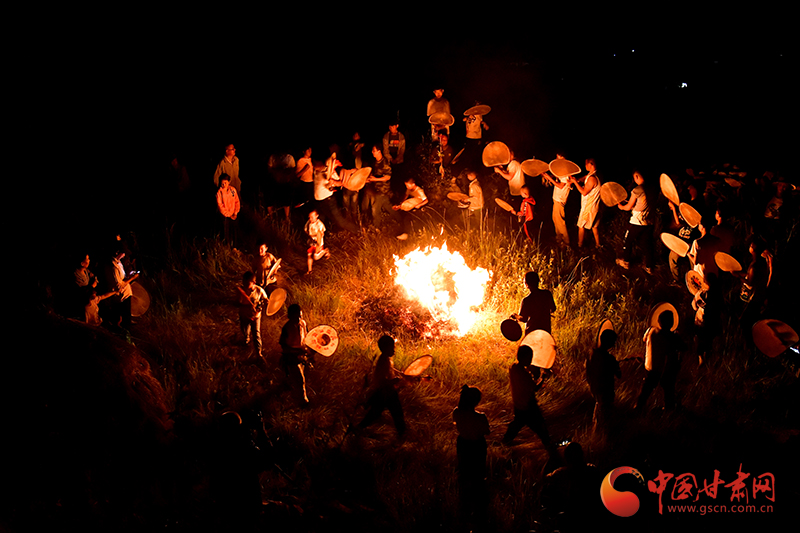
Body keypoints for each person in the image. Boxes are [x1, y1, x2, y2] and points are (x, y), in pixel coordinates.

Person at [501, 346, 558, 458]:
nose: (531, 360)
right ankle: (550, 447)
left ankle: (504, 443)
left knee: (517, 424)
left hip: (518, 404)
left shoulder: (513, 368)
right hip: (528, 406)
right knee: (540, 426)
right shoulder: (524, 375)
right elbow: (535, 388)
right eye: (530, 357)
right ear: (524, 358)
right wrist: (542, 377)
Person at [355, 335, 406, 437]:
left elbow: (391, 369)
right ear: (385, 348)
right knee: (396, 413)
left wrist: (401, 374)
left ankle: (358, 428)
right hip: (387, 393)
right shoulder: (383, 361)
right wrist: (393, 381)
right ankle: (402, 434)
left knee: (375, 413)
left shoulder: (385, 359)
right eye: (392, 348)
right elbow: (382, 380)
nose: (394, 350)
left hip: (385, 392)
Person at [635, 310, 686, 412]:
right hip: (664, 369)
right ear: (672, 322)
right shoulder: (672, 337)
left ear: (658, 321)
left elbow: (644, 339)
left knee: (646, 388)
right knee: (668, 388)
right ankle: (669, 409)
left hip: (650, 366)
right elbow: (683, 347)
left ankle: (638, 407)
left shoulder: (650, 331)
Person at [453, 385, 490, 524]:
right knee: (478, 468)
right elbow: (486, 431)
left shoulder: (456, 412)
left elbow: (456, 424)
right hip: (477, 444)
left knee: (464, 466)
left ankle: (464, 492)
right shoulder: (481, 417)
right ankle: (479, 494)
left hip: (463, 443)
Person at [616, 170, 654, 274]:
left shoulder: (637, 189)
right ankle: (649, 267)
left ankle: (626, 262)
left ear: (637, 177)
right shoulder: (652, 188)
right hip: (649, 221)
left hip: (637, 221)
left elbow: (628, 207)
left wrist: (621, 206)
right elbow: (642, 204)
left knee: (628, 240)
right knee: (647, 244)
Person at [585, 329, 621, 427]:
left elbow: (588, 372)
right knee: (605, 415)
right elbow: (619, 375)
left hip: (595, 389)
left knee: (599, 410)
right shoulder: (609, 359)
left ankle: (596, 430)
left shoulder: (592, 354)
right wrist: (616, 365)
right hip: (606, 391)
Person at [279, 304, 310, 405]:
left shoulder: (303, 324)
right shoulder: (287, 328)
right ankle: (303, 400)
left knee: (299, 375)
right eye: (296, 317)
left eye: (300, 316)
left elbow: (307, 336)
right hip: (291, 356)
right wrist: (294, 351)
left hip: (301, 354)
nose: (299, 319)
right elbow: (283, 344)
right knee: (300, 379)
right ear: (290, 316)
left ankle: (287, 386)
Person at [570, 158, 602, 249]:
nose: (585, 166)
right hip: (595, 206)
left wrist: (575, 182)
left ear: (591, 165)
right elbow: (585, 178)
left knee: (581, 225)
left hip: (588, 207)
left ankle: (580, 246)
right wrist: (577, 180)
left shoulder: (592, 179)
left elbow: (584, 192)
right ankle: (598, 245)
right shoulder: (594, 175)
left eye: (586, 164)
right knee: (594, 226)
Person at [512, 271, 556, 335]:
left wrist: (515, 316)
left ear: (526, 284)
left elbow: (524, 319)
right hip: (545, 331)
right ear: (538, 281)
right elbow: (553, 308)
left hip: (532, 332)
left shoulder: (527, 300)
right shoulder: (547, 294)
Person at [237, 271, 268, 359]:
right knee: (245, 331)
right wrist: (247, 305)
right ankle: (246, 341)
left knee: (256, 334)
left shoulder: (259, 290)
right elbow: (237, 303)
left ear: (253, 282)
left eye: (247, 283)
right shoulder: (241, 291)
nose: (244, 284)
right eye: (243, 282)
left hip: (256, 316)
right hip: (244, 316)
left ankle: (259, 353)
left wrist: (266, 301)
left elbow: (265, 299)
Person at [362, 144, 393, 229]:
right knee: (387, 206)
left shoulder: (385, 162)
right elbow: (374, 175)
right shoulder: (375, 162)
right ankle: (399, 218)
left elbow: (388, 177)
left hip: (383, 189)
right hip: (376, 188)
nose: (372, 152)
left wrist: (375, 179)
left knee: (375, 208)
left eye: (374, 150)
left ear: (379, 151)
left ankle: (376, 227)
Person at [541, 161, 572, 248]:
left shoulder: (566, 173)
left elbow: (561, 185)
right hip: (557, 199)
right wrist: (548, 176)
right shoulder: (562, 171)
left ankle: (566, 243)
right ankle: (559, 239)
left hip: (560, 200)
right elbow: (558, 176)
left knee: (560, 223)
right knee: (555, 220)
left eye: (559, 159)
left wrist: (550, 179)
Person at [393, 176, 428, 240]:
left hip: (419, 207)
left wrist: (419, 205)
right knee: (406, 218)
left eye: (408, 185)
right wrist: (400, 204)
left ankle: (417, 234)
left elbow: (426, 200)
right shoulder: (409, 189)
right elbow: (406, 195)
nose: (407, 187)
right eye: (406, 185)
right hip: (412, 206)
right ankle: (407, 233)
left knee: (412, 220)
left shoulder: (419, 191)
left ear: (413, 184)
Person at [216, 174, 240, 248]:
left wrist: (235, 212)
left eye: (225, 183)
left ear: (229, 182)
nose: (224, 185)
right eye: (222, 183)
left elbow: (237, 201)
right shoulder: (219, 193)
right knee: (226, 233)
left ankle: (235, 247)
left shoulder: (232, 190)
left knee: (234, 232)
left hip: (234, 215)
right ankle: (227, 247)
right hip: (225, 217)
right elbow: (220, 206)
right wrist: (228, 214)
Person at [304, 209, 330, 274]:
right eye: (309, 217)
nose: (310, 219)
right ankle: (310, 270)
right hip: (311, 243)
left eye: (312, 217)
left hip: (318, 244)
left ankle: (325, 251)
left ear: (317, 216)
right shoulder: (309, 222)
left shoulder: (319, 224)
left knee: (316, 257)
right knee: (309, 255)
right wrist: (309, 235)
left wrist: (318, 244)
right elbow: (306, 229)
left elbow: (319, 234)